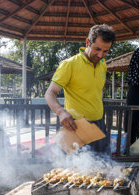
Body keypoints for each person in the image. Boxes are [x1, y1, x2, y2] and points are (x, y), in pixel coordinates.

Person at [45, 24, 116, 155]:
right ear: (88, 42)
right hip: (76, 127)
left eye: (105, 51)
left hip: (99, 125)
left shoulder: (103, 65)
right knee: (75, 173)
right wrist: (61, 112)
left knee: (104, 169)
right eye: (97, 49)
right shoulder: (69, 64)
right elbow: (50, 93)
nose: (101, 55)